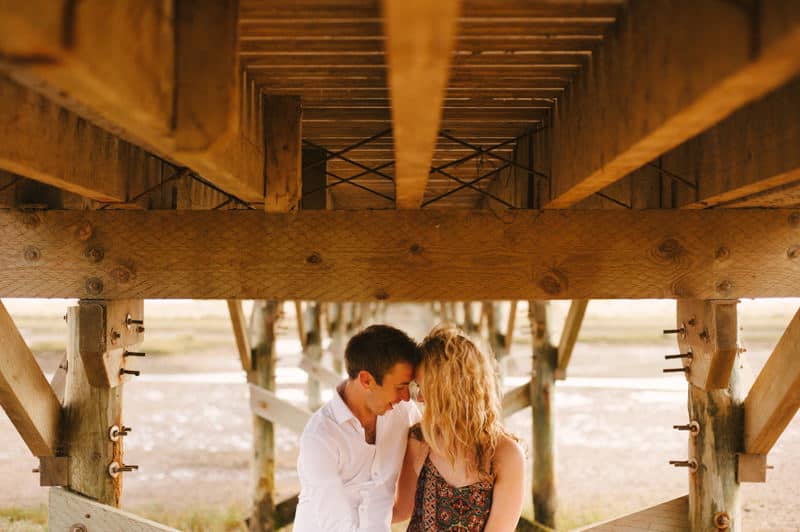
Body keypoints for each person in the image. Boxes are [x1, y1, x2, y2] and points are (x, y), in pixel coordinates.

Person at [393, 324, 525, 531]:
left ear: (450, 389)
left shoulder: (506, 454)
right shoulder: (419, 438)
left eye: (423, 387)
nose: (419, 398)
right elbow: (401, 510)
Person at [294, 324, 422, 531]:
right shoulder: (319, 436)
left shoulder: (404, 413)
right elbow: (334, 522)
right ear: (366, 380)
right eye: (400, 387)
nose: (407, 397)